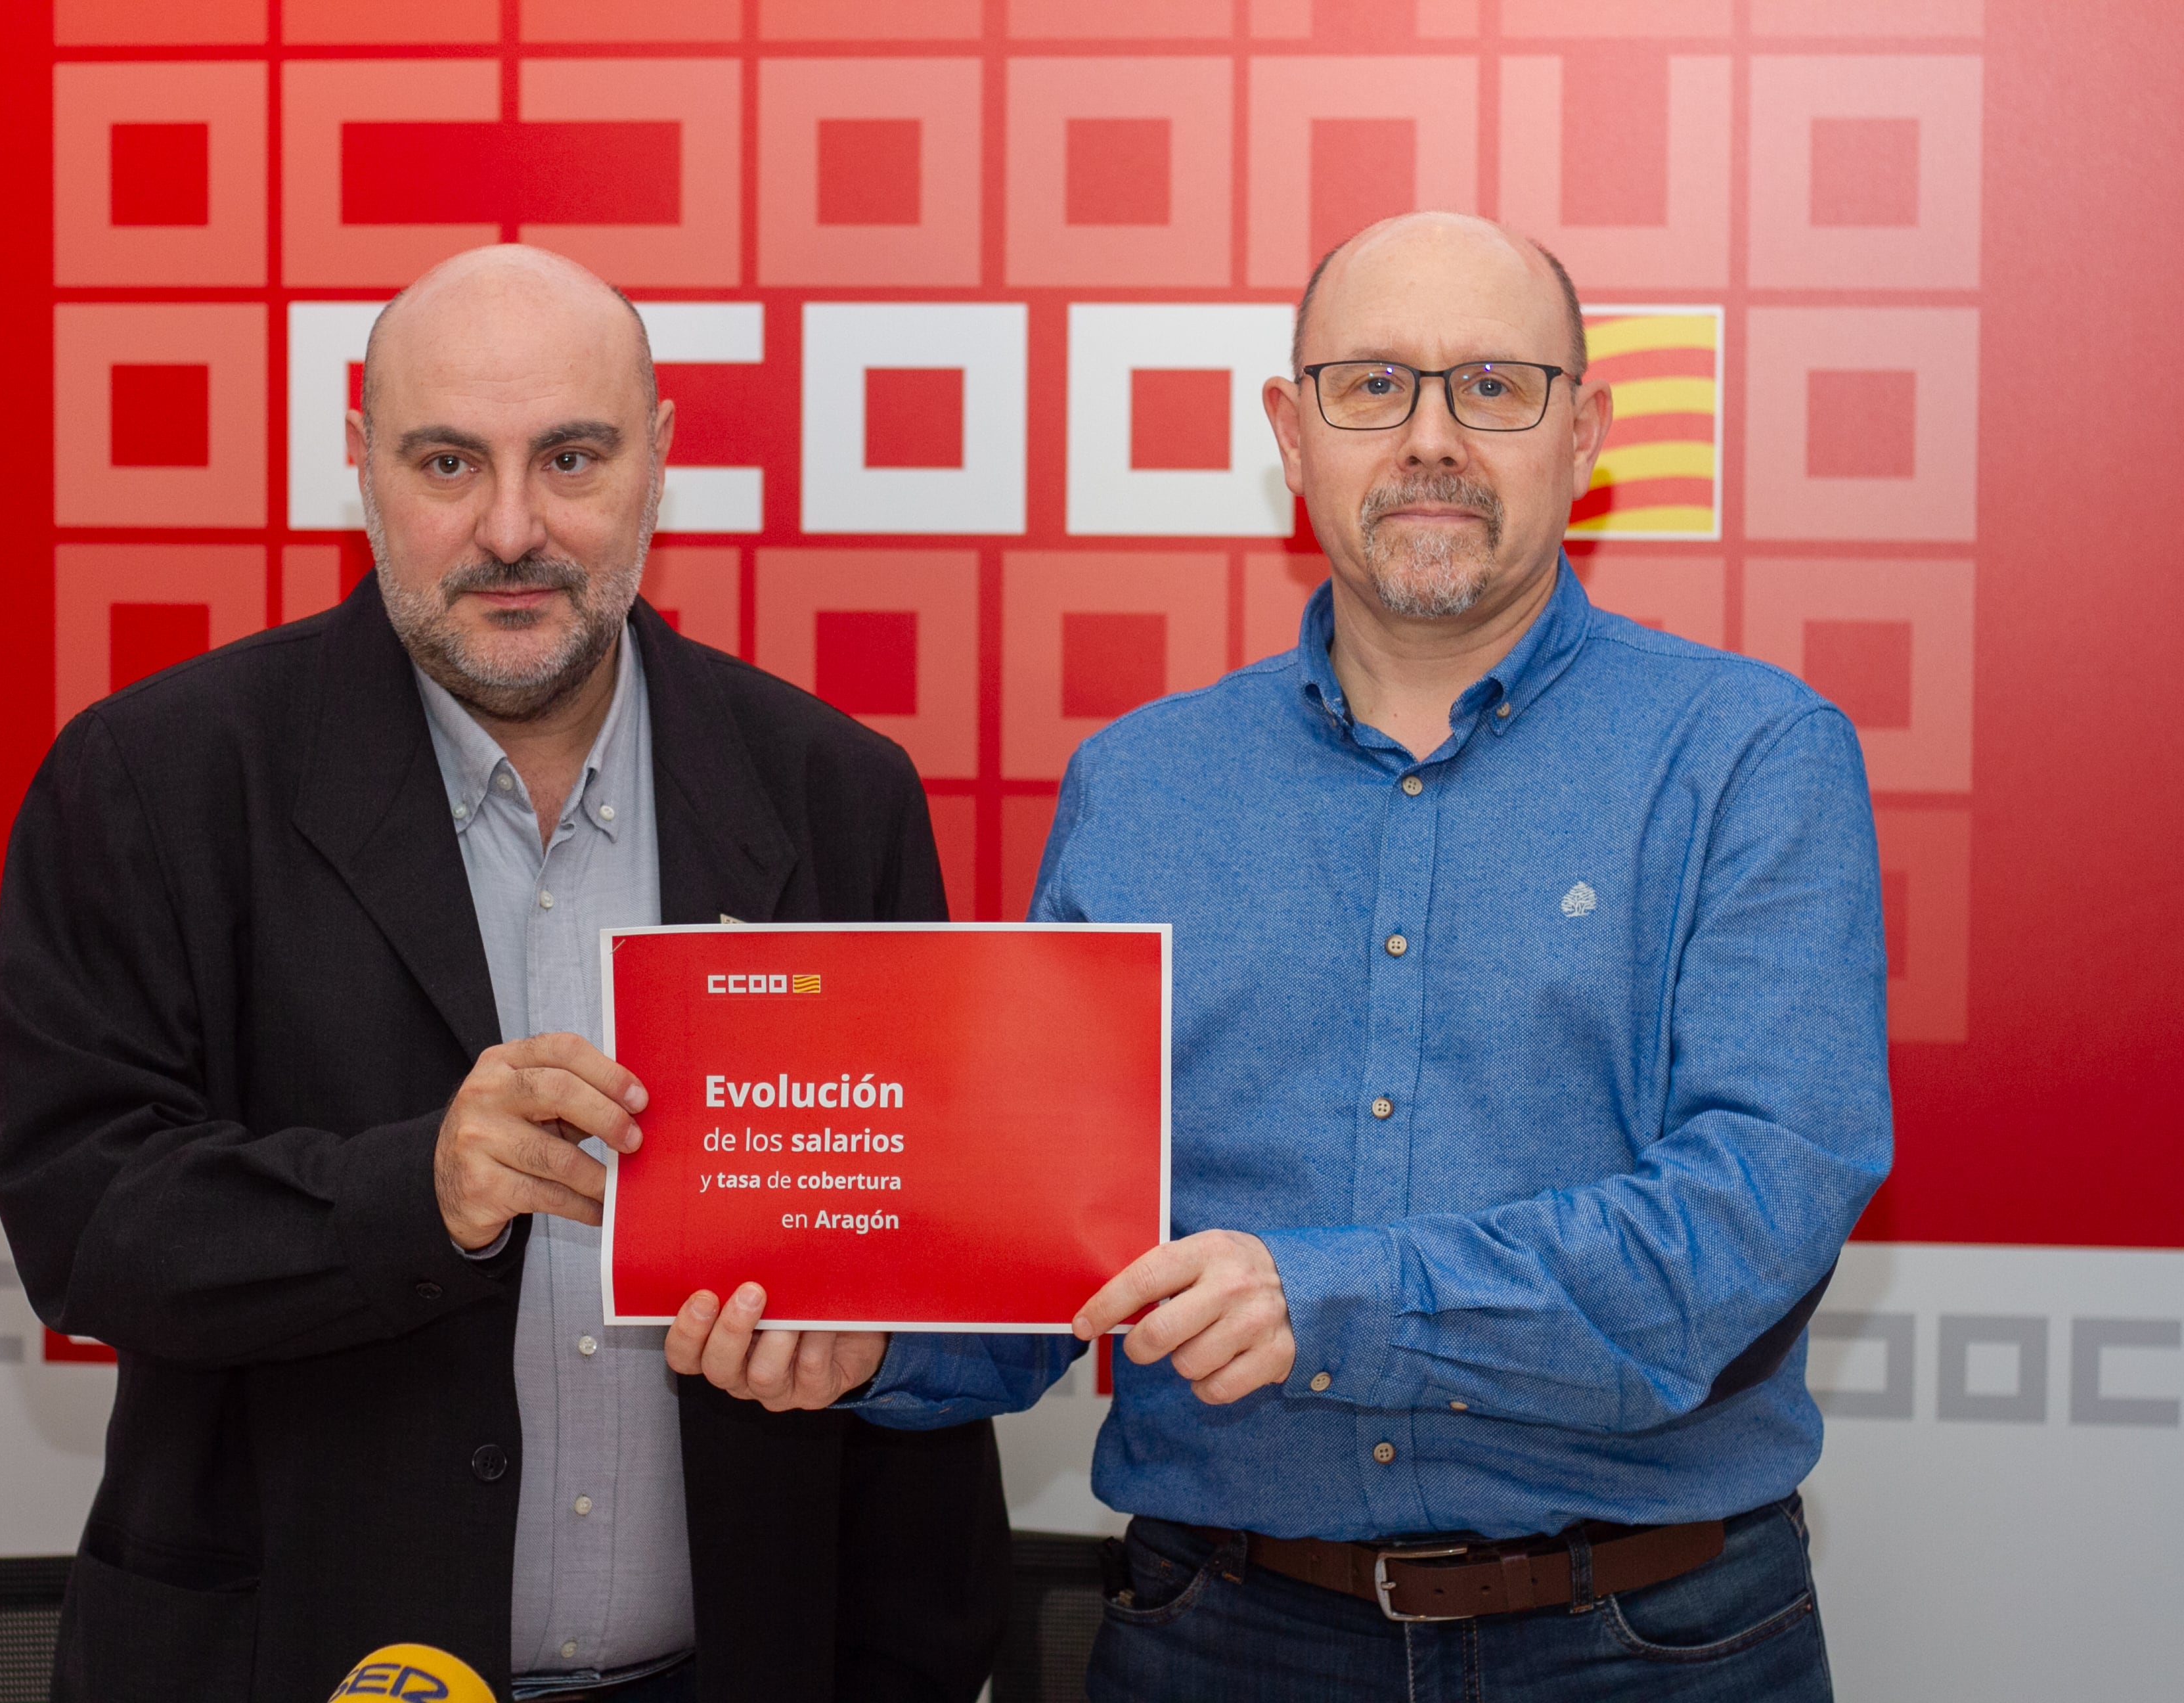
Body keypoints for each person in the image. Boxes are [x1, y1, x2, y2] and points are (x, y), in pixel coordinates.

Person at [665, 212, 1891, 1702]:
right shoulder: (1144, 785)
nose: (1432, 436)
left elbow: (1755, 1219)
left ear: (1586, 435)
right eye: (1373, 385)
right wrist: (869, 1341)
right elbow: (1051, 1236)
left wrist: (1329, 1299)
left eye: (1494, 386)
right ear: (1290, 434)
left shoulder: (1751, 758)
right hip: (1220, 1634)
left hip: (1648, 1645)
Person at [0, 244, 1008, 1703]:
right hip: (293, 1662)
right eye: (449, 461)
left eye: (573, 458)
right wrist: (422, 1192)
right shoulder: (153, 781)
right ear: (360, 463)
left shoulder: (835, 792)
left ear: (659, 462)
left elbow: (930, 1236)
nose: (513, 528)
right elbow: (83, 1226)